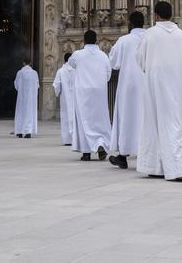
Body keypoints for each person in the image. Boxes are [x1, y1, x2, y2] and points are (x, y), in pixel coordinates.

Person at [135, 1, 182, 181]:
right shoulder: (181, 35)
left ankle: (163, 166)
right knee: (178, 122)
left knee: (156, 121)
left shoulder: (150, 34)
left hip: (157, 85)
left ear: (156, 15)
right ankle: (179, 165)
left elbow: (140, 59)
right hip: (179, 86)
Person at [109, 11, 147, 169]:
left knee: (127, 117)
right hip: (148, 83)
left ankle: (123, 155)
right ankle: (148, 152)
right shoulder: (150, 37)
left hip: (128, 86)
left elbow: (113, 62)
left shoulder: (123, 41)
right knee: (147, 116)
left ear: (130, 23)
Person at [68, 30, 112, 161]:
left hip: (83, 91)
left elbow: (71, 64)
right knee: (100, 120)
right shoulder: (103, 55)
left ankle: (86, 152)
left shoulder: (78, 54)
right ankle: (101, 145)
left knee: (84, 120)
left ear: (84, 41)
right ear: (96, 40)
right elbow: (108, 74)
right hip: (99, 91)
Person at [52, 52, 76, 146]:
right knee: (75, 117)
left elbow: (56, 85)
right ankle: (75, 138)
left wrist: (58, 92)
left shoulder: (60, 71)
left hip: (65, 99)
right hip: (75, 98)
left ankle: (67, 140)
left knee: (65, 117)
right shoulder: (76, 70)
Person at [13, 59, 39, 139]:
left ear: (23, 63)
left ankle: (20, 132)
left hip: (22, 98)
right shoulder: (34, 73)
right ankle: (28, 132)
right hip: (31, 98)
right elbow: (37, 86)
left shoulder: (20, 73)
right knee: (30, 113)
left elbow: (16, 85)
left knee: (20, 113)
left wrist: (22, 90)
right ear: (30, 63)